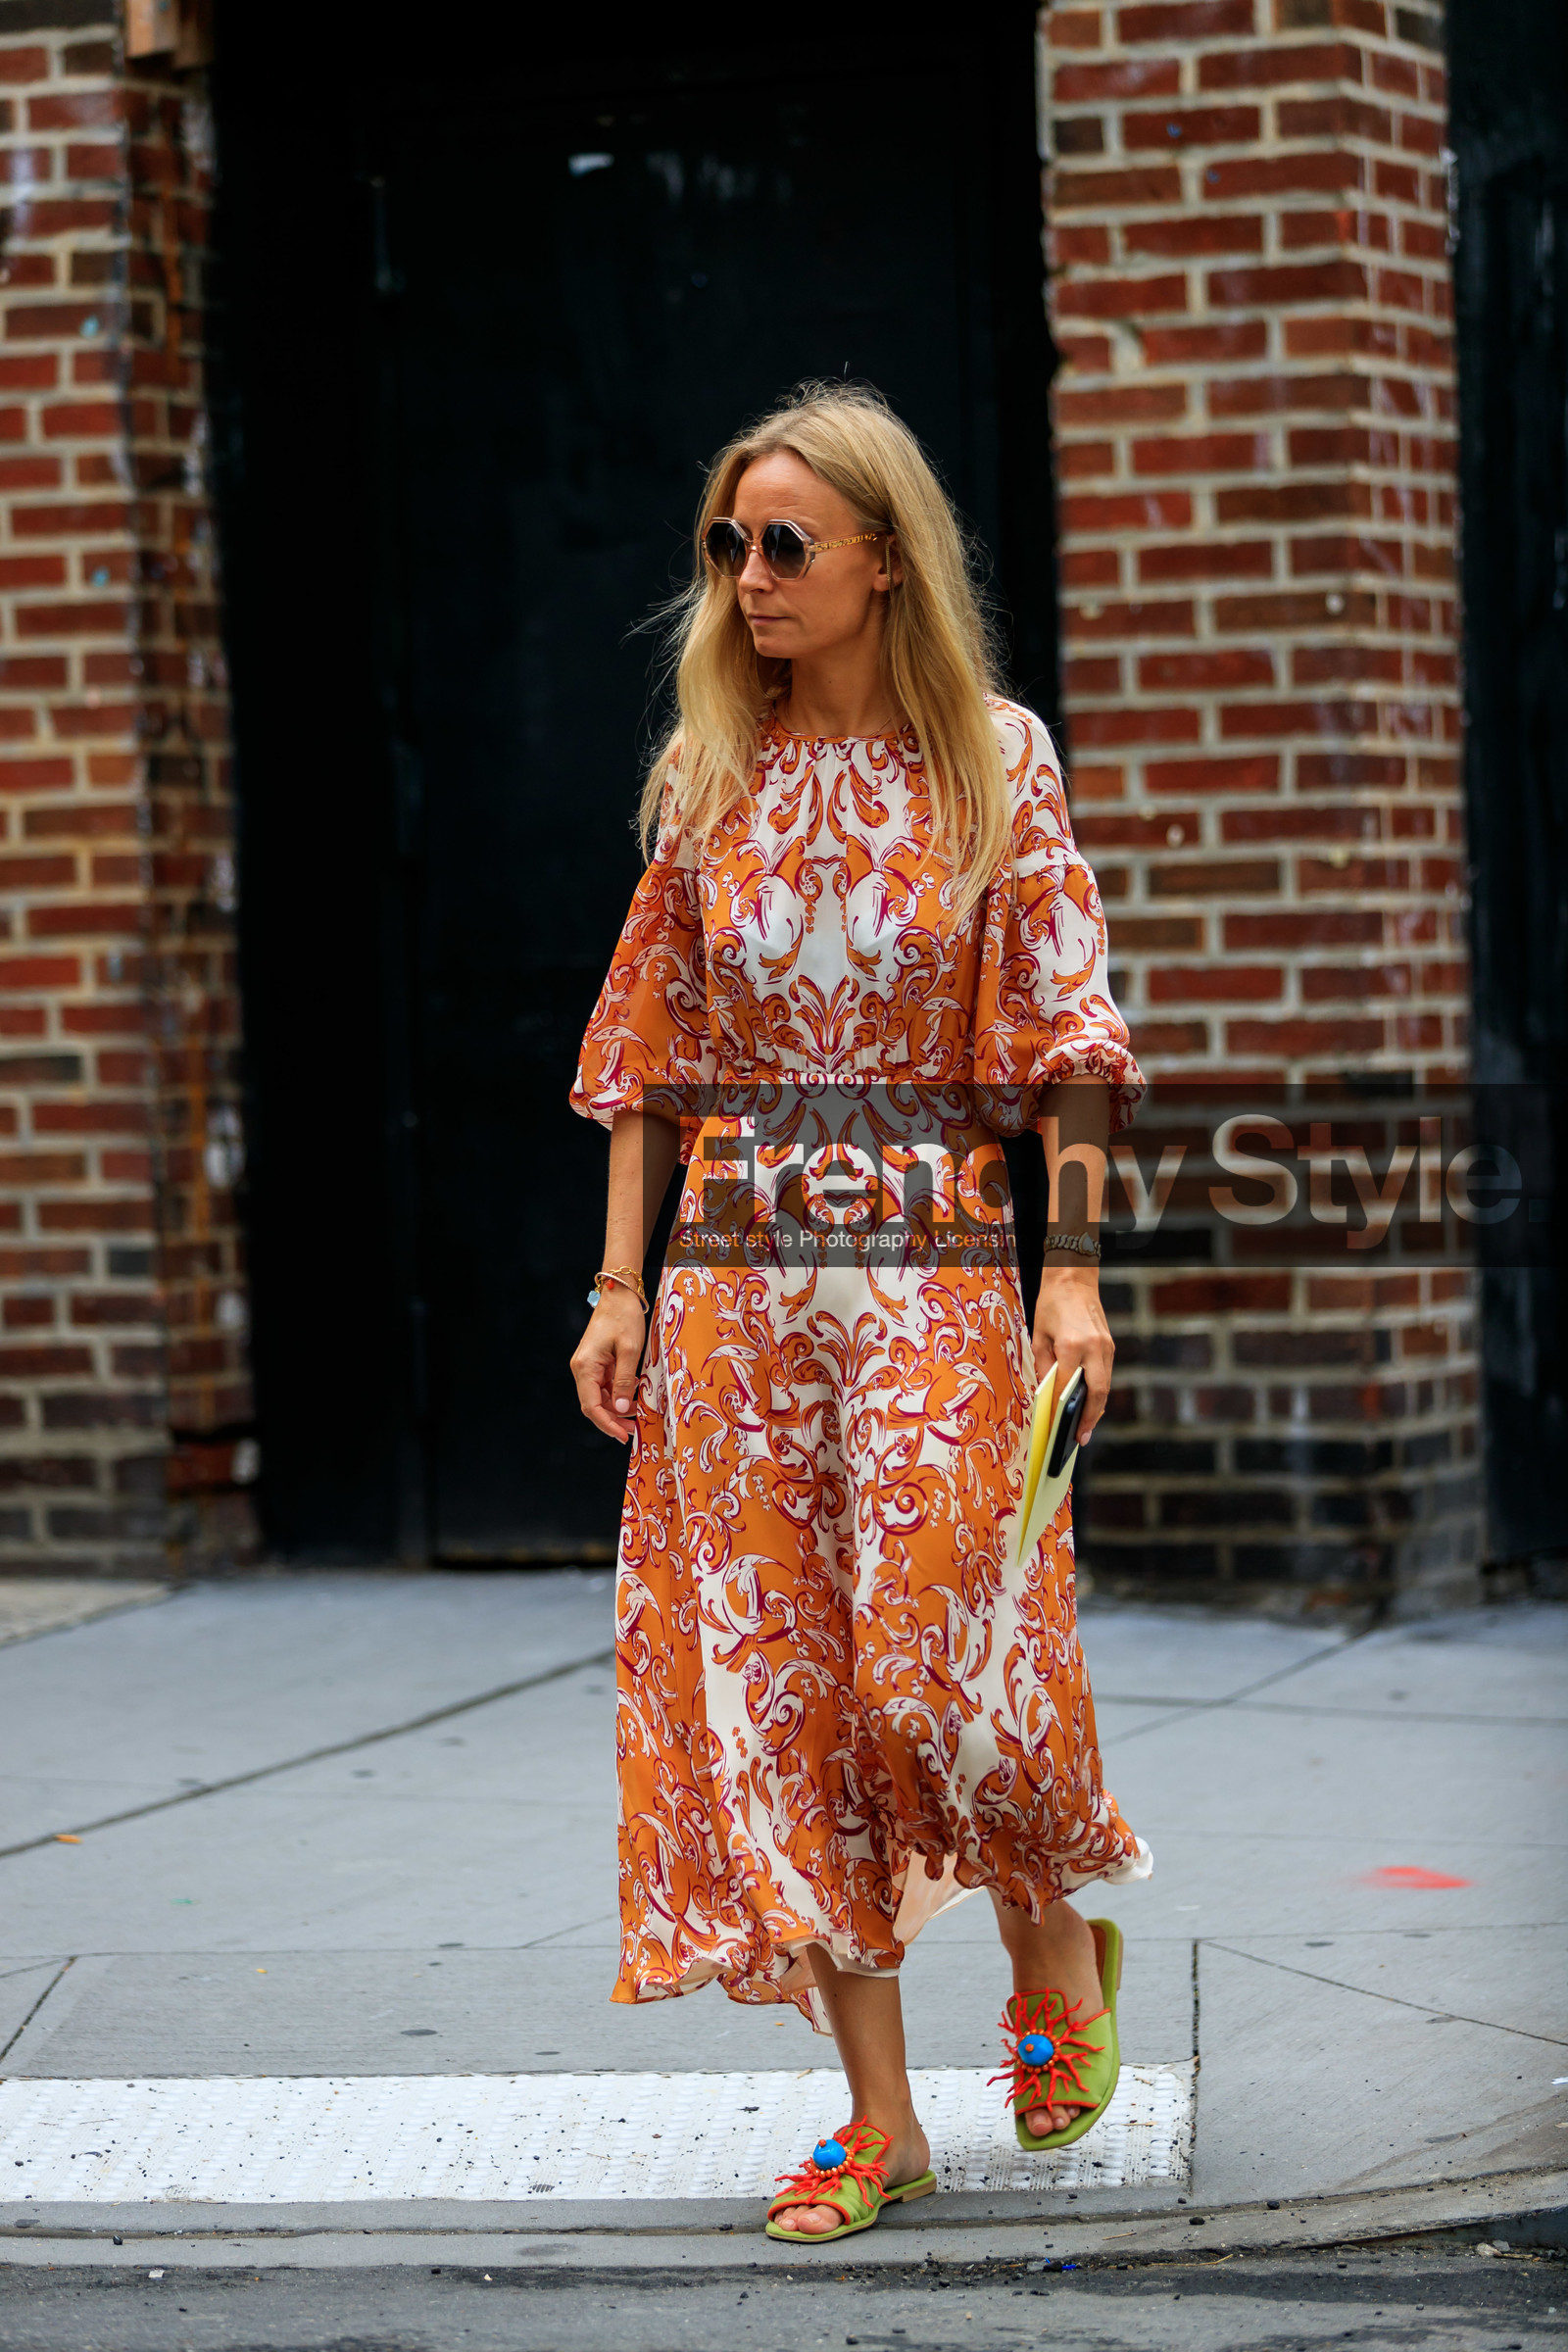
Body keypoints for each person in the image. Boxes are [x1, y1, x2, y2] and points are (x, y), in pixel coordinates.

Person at [568, 381, 1150, 2242]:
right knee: (780, 1698)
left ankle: (1051, 1942)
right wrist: (616, 1289)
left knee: (939, 1669)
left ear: (886, 560)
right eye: (728, 544)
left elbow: (1067, 1042)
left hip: (931, 1277)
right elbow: (648, 1053)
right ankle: (880, 2118)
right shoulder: (708, 775)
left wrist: (1072, 1277)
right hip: (735, 1295)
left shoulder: (995, 759)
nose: (750, 575)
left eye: (786, 543)